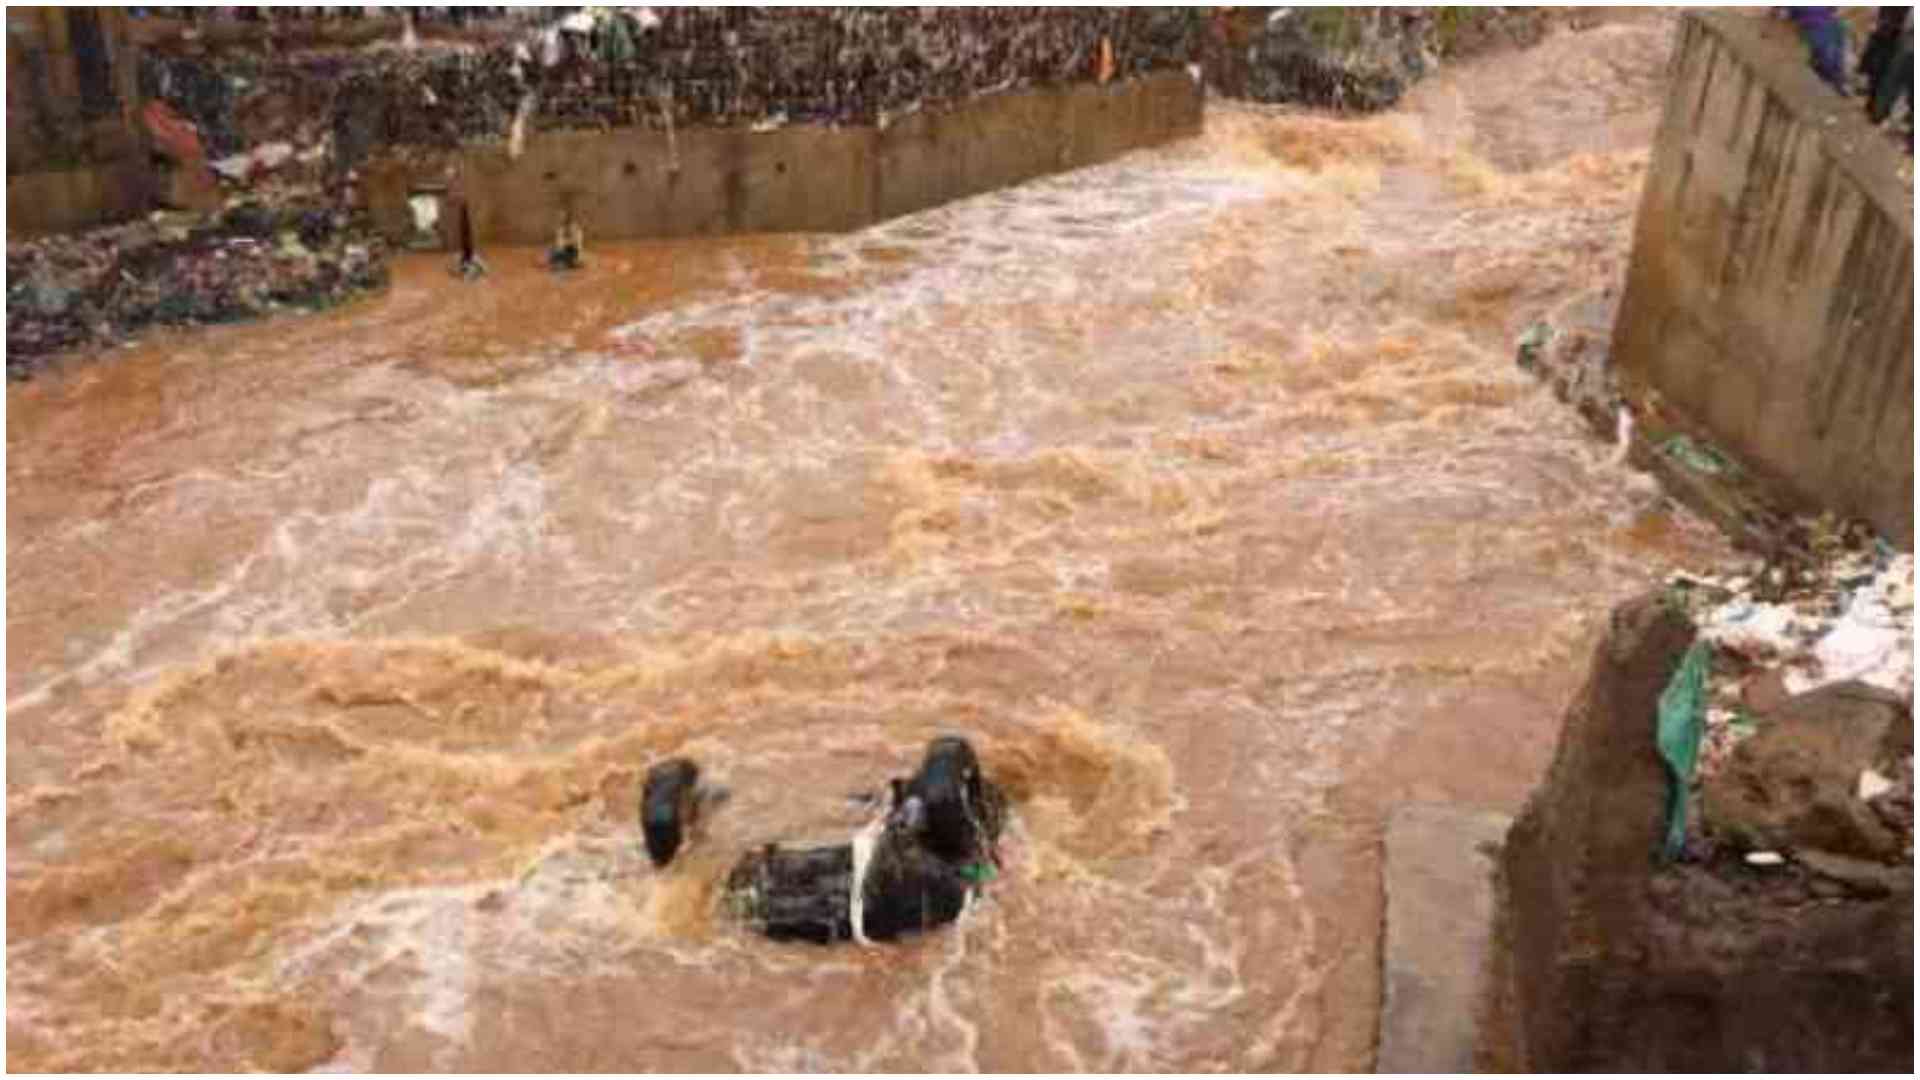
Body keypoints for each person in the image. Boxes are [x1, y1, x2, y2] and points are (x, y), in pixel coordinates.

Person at [1785, 7, 1850, 95]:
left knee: (1836, 53)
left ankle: (1838, 80)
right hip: (1813, 27)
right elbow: (1788, 14)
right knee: (1827, 55)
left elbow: (1834, 10)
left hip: (1828, 24)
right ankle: (1832, 78)